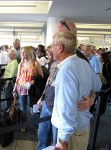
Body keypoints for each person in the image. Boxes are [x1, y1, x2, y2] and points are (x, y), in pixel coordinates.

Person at [37, 20, 98, 150]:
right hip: (50, 106)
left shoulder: (75, 63)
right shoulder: (65, 60)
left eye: (59, 32)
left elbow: (96, 86)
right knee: (42, 139)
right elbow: (50, 79)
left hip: (67, 123)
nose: (51, 47)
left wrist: (91, 99)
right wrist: (42, 97)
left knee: (56, 143)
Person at [51, 32, 101, 150]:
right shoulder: (83, 63)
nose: (51, 48)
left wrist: (62, 140)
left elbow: (66, 109)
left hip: (70, 135)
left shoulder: (66, 72)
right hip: (83, 127)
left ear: (60, 48)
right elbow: (97, 85)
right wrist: (92, 98)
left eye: (52, 45)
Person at [13, 46, 43, 133]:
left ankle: (36, 127)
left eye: (24, 52)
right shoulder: (20, 64)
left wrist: (33, 81)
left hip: (32, 89)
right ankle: (24, 125)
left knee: (33, 109)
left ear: (29, 53)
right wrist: (14, 89)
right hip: (21, 88)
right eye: (21, 52)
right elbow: (18, 77)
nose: (22, 54)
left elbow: (41, 77)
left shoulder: (35, 63)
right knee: (23, 109)